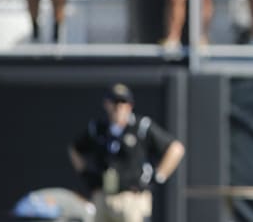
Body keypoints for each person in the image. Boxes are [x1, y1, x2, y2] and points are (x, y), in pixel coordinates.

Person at [68, 83, 185, 222]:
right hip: (104, 196)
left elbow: (176, 148)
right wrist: (87, 175)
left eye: (123, 102)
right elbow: (75, 149)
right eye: (114, 102)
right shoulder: (98, 129)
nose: (118, 107)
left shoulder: (140, 127)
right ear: (106, 104)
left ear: (130, 105)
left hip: (132, 198)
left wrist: (158, 176)